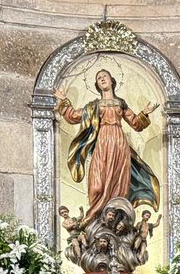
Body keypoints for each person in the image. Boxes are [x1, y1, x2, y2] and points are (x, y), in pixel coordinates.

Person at [54, 68, 161, 223]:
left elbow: (136, 124)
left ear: (112, 81)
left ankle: (116, 218)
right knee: (96, 185)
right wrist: (64, 100)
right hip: (102, 143)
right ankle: (95, 218)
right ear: (97, 85)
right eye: (99, 78)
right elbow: (74, 116)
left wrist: (145, 112)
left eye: (105, 76)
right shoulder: (94, 105)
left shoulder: (121, 103)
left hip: (119, 144)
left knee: (119, 182)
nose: (102, 79)